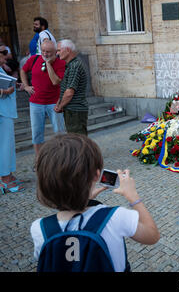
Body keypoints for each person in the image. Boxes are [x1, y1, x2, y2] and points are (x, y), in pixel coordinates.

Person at [30, 133, 160, 272]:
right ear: (97, 175)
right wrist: (133, 196)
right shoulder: (116, 217)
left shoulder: (39, 228)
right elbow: (152, 236)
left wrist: (84, 198)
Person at [20, 40, 66, 157]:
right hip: (36, 103)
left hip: (54, 103)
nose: (45, 54)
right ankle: (39, 160)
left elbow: (55, 81)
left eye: (49, 52)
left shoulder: (61, 63)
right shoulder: (34, 59)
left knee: (60, 132)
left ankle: (62, 158)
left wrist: (49, 64)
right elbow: (23, 71)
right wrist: (25, 86)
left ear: (55, 52)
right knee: (37, 134)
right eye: (43, 51)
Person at [0, 44, 24, 194]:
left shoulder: (2, 68)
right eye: (3, 54)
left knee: (6, 145)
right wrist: (5, 90)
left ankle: (6, 176)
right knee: (5, 146)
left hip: (5, 111)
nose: (5, 57)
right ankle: (6, 180)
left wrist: (14, 85)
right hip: (2, 112)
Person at [55, 39, 89, 135]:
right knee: (76, 140)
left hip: (75, 110)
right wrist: (59, 103)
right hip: (72, 110)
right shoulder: (71, 65)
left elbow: (69, 93)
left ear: (67, 50)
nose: (57, 53)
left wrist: (60, 106)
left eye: (59, 50)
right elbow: (65, 88)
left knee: (78, 141)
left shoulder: (74, 65)